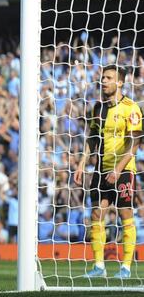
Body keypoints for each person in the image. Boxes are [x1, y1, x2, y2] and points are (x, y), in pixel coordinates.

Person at [74, 65, 142, 279]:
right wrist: (82, 163)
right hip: (101, 170)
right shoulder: (98, 108)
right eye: (102, 77)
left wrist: (118, 170)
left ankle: (126, 267)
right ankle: (99, 266)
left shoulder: (131, 108)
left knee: (125, 215)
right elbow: (93, 137)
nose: (103, 81)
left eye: (108, 78)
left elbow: (134, 145)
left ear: (120, 82)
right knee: (96, 214)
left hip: (123, 170)